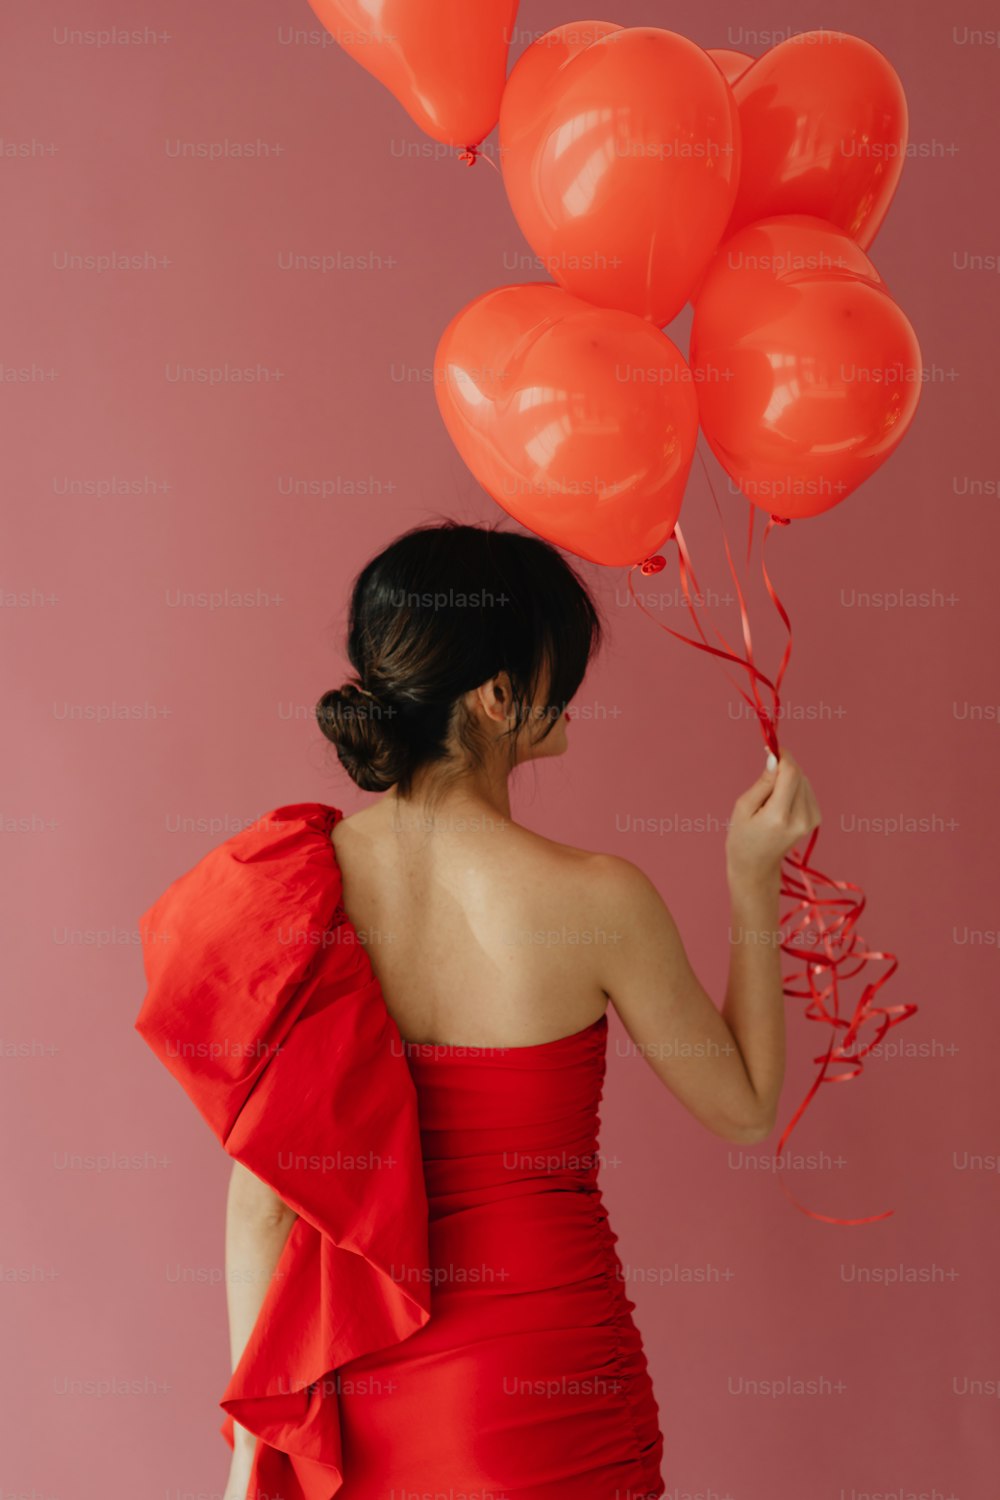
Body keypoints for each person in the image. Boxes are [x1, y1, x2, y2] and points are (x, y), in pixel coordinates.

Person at [137, 519, 819, 1500]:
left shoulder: (286, 890)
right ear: (498, 697)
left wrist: (256, 1442)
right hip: (549, 1386)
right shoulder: (596, 899)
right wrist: (752, 880)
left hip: (363, 1377)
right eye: (560, 664)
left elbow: (263, 1202)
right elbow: (747, 1108)